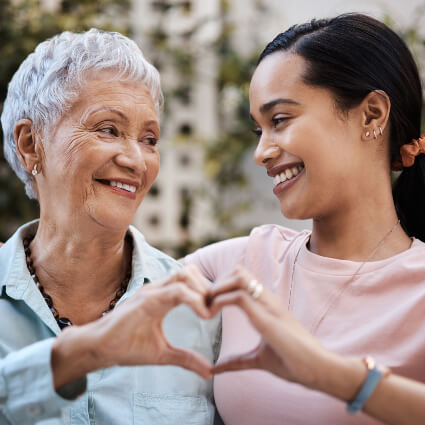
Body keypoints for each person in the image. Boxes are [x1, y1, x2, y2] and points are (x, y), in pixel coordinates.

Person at [182, 13, 425, 425]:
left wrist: (331, 374)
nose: (262, 152)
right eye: (258, 129)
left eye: (279, 121)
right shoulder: (234, 267)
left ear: (372, 115)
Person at [0, 29, 220, 425]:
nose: (137, 161)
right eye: (107, 130)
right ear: (31, 144)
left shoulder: (200, 313)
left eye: (149, 138)